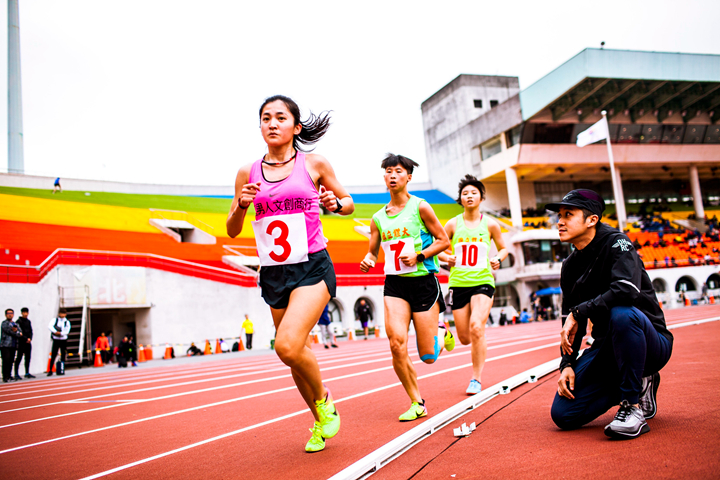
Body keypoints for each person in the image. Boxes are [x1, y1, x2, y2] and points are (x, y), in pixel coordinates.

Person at [226, 95, 354, 453]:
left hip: (312, 265)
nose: (271, 123)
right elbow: (233, 229)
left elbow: (348, 203)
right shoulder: (247, 173)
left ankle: (325, 402)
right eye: (265, 118)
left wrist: (334, 204)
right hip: (274, 272)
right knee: (294, 355)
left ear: (296, 127)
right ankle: (319, 420)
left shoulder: (314, 164)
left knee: (286, 344)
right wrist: (241, 204)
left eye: (280, 117)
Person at [546, 189, 673, 439]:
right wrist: (567, 365)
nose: (559, 222)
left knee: (622, 314)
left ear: (592, 220)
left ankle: (632, 406)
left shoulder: (618, 244)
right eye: (559, 216)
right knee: (563, 414)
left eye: (568, 215)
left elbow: (625, 291)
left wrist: (579, 311)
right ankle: (637, 383)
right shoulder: (569, 266)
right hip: (608, 348)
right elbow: (570, 324)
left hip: (650, 343)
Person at [360, 153, 454, 422]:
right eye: (388, 171)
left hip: (423, 282)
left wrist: (420, 255)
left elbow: (443, 241)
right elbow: (372, 251)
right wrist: (367, 260)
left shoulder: (421, 207)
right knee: (397, 344)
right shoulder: (378, 217)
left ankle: (440, 330)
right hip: (395, 285)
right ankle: (417, 401)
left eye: (398, 171)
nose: (392, 175)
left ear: (408, 177)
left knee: (427, 357)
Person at [438, 174, 507, 395]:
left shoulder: (491, 224)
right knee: (465, 338)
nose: (469, 196)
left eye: (473, 192)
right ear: (460, 198)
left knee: (477, 327)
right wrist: (445, 258)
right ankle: (449, 334)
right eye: (465, 193)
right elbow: (436, 248)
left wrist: (499, 258)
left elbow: (503, 248)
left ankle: (476, 379)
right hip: (458, 283)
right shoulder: (452, 224)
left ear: (481, 197)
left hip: (483, 282)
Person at [47, 308, 71, 376]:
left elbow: (67, 330)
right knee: (54, 354)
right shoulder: (55, 320)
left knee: (63, 354)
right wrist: (55, 332)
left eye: (64, 313)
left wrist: (61, 333)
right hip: (56, 339)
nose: (62, 315)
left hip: (63, 339)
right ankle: (50, 370)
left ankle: (62, 369)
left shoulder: (67, 322)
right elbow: (50, 326)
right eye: (61, 313)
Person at [2, 309, 23, 382]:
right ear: (6, 315)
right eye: (8, 313)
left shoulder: (16, 324)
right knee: (6, 360)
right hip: (5, 345)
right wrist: (16, 332)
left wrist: (16, 331)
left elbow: (20, 333)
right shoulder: (4, 323)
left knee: (11, 360)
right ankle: (5, 376)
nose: (10, 314)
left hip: (13, 345)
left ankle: (10, 375)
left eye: (11, 313)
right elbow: (8, 331)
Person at [15, 307, 35, 379]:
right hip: (21, 342)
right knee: (19, 358)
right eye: (24, 313)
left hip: (28, 342)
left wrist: (30, 339)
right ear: (22, 313)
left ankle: (27, 372)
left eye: (26, 312)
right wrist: (25, 338)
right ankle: (16, 373)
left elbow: (30, 331)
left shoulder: (28, 321)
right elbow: (19, 332)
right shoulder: (18, 321)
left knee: (28, 357)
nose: (25, 314)